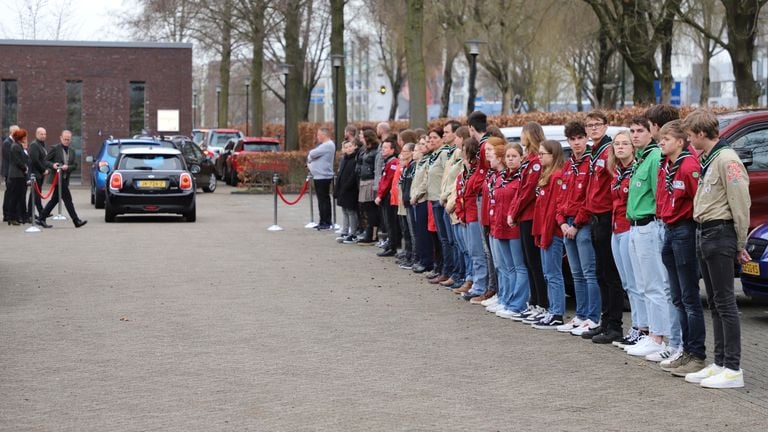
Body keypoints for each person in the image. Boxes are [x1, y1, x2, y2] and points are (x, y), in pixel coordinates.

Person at [683, 109, 750, 389]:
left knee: (725, 303)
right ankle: (720, 362)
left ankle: (733, 367)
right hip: (705, 232)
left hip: (720, 233)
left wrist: (740, 242)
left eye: (689, 134)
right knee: (714, 302)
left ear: (700, 133)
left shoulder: (727, 160)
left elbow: (740, 202)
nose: (688, 139)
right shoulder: (710, 159)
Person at [655, 120, 707, 378]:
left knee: (689, 297)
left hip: (684, 230)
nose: (661, 142)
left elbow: (700, 200)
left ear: (680, 141)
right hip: (668, 229)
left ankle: (697, 354)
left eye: (666, 138)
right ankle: (685, 349)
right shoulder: (666, 165)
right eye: (660, 138)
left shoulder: (688, 166)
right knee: (677, 296)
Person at [625, 116, 677, 359]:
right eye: (632, 131)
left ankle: (659, 337)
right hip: (635, 225)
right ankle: (651, 334)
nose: (634, 135)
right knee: (643, 284)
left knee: (655, 284)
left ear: (650, 133)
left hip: (648, 225)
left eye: (639, 131)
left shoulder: (654, 157)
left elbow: (660, 195)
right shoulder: (641, 158)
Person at [555, 120, 601, 335]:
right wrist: (562, 222)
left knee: (589, 273)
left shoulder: (592, 162)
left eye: (580, 138)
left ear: (586, 138)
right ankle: (581, 315)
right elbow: (561, 198)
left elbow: (590, 198)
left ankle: (593, 317)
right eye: (572, 139)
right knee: (577, 275)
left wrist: (576, 223)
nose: (576, 143)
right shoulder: (568, 165)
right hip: (567, 225)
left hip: (582, 224)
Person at [508, 122, 547, 323]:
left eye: (523, 133)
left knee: (534, 263)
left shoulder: (535, 163)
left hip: (531, 216)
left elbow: (528, 192)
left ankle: (542, 303)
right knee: (529, 262)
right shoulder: (528, 161)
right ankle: (534, 301)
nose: (521, 137)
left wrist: (513, 213)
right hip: (524, 216)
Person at [487, 140, 530, 319]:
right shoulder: (502, 177)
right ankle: (506, 298)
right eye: (508, 157)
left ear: (521, 158)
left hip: (514, 228)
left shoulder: (521, 177)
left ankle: (518, 303)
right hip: (499, 227)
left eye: (514, 156)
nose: (511, 160)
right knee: (506, 267)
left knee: (518, 266)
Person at [606, 131, 642, 346]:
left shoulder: (635, 170)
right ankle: (636, 326)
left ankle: (641, 327)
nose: (620, 147)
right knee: (627, 284)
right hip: (616, 230)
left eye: (624, 144)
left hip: (630, 228)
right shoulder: (617, 172)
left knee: (637, 284)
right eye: (617, 144)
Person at [530, 139, 567, 329]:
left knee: (553, 274)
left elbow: (553, 208)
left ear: (553, 155)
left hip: (552, 233)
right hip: (544, 232)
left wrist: (545, 233)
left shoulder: (556, 177)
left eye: (543, 154)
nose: (539, 157)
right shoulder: (546, 175)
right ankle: (552, 310)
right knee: (547, 273)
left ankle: (557, 313)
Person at [466, 111, 497, 303]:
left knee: (487, 249)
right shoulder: (483, 145)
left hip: (484, 199)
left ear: (471, 128)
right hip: (480, 197)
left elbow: (484, 174)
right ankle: (488, 287)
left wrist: (474, 186)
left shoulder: (485, 146)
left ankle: (490, 288)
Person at [36, 130, 87, 228]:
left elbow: (75, 165)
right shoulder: (55, 148)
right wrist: (53, 165)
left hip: (65, 178)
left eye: (68, 139)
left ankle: (41, 218)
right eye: (65, 139)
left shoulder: (72, 151)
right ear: (61, 138)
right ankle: (76, 220)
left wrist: (68, 167)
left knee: (55, 200)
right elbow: (45, 161)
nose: (66, 141)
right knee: (68, 199)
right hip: (57, 179)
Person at [375, 135, 401, 257]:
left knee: (391, 222)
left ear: (392, 150)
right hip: (386, 196)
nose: (383, 150)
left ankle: (393, 246)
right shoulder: (388, 162)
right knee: (388, 222)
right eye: (382, 148)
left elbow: (388, 181)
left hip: (389, 197)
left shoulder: (393, 163)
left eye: (386, 148)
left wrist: (380, 195)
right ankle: (390, 244)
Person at [307, 127, 336, 230]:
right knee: (322, 200)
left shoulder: (327, 145)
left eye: (319, 135)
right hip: (319, 175)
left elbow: (312, 154)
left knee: (323, 200)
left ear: (324, 135)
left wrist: (311, 158)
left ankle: (326, 222)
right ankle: (322, 220)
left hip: (323, 176)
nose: (317, 137)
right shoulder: (325, 145)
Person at [356, 129, 380, 244]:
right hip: (364, 180)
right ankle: (368, 231)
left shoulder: (375, 151)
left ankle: (372, 234)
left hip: (370, 180)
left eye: (363, 137)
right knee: (366, 208)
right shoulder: (366, 150)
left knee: (371, 209)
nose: (361, 138)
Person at [335, 138, 359, 243]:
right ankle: (345, 231)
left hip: (351, 190)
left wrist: (346, 186)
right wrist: (337, 188)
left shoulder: (355, 160)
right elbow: (340, 175)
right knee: (344, 210)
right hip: (342, 189)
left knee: (351, 211)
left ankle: (353, 233)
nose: (349, 149)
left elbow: (353, 175)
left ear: (354, 147)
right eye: (346, 147)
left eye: (350, 146)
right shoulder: (344, 159)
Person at [6, 128, 30, 225]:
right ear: (21, 138)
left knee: (20, 196)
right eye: (24, 137)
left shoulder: (19, 146)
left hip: (20, 175)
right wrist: (25, 168)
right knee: (15, 197)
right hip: (16, 175)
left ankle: (21, 216)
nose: (25, 138)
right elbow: (18, 161)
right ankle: (11, 217)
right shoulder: (15, 147)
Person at [28, 127, 51, 220]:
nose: (43, 136)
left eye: (45, 134)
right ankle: (40, 213)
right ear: (36, 134)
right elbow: (35, 160)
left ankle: (33, 213)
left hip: (40, 174)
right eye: (41, 134)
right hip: (36, 174)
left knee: (34, 195)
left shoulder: (42, 145)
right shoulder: (34, 145)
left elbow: (44, 159)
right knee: (35, 194)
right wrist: (43, 170)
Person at [2, 124, 19, 222]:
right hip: (9, 172)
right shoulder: (7, 143)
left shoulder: (14, 142)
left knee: (13, 193)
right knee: (9, 193)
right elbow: (11, 158)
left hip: (13, 172)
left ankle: (12, 213)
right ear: (12, 132)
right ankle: (7, 214)